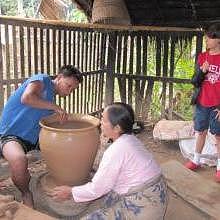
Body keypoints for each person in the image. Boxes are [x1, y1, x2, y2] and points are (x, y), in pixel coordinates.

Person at [51, 103, 167, 220]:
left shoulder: (116, 150)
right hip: (157, 194)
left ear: (117, 128)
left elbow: (97, 189)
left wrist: (71, 191)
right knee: (108, 198)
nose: (100, 123)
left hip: (144, 207)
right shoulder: (131, 139)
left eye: (104, 120)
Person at [0, 65, 83, 207]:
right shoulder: (43, 80)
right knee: (19, 160)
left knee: (66, 148)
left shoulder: (50, 102)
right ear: (59, 77)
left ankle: (64, 180)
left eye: (73, 89)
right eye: (68, 86)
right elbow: (27, 98)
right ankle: (26, 193)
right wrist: (55, 107)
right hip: (10, 135)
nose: (69, 92)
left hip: (31, 139)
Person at [185, 23, 220, 182]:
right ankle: (195, 160)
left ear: (218, 39)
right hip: (202, 103)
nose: (206, 39)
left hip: (217, 106)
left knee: (218, 136)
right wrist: (202, 71)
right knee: (201, 132)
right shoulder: (202, 57)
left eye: (209, 37)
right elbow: (195, 81)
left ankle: (219, 167)